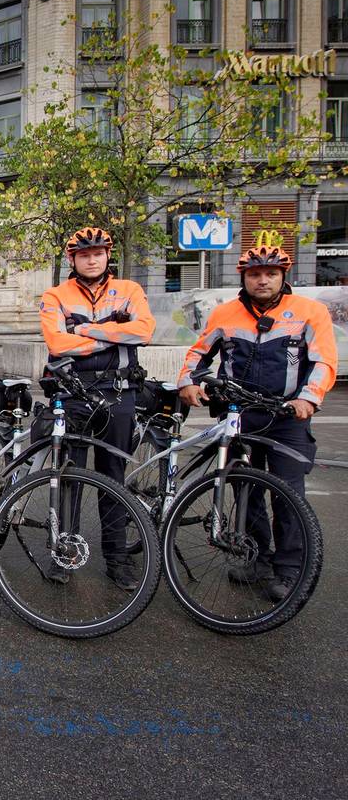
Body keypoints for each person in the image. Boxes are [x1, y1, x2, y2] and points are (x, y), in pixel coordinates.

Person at [178, 245, 337, 601]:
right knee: (245, 492)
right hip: (240, 415)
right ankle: (257, 558)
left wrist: (308, 398)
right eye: (254, 274)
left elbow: (325, 361)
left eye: (270, 274)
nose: (262, 280)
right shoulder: (226, 313)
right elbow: (198, 353)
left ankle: (289, 569)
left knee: (288, 496)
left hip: (286, 417)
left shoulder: (310, 312)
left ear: (284, 277)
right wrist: (187, 382)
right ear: (244, 278)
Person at [35, 226, 155, 590]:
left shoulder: (130, 290)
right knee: (70, 476)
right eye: (84, 254)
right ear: (73, 259)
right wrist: (111, 330)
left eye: (98, 253)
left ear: (107, 256)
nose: (92, 259)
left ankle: (116, 560)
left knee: (113, 478)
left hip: (119, 392)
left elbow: (144, 332)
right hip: (74, 392)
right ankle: (65, 553)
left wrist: (86, 331)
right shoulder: (56, 295)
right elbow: (56, 342)